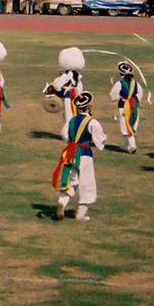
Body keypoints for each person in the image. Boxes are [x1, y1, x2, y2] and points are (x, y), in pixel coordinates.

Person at [51, 91, 106, 221]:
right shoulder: (92, 122)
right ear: (89, 107)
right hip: (85, 154)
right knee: (87, 182)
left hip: (70, 153)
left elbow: (66, 136)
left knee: (72, 180)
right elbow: (100, 142)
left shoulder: (72, 121)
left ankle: (62, 202)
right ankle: (81, 214)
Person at [107, 61, 141, 153]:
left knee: (126, 126)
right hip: (134, 105)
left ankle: (132, 146)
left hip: (124, 106)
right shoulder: (136, 83)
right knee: (131, 124)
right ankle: (126, 146)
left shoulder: (119, 83)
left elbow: (112, 95)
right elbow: (140, 94)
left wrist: (118, 99)